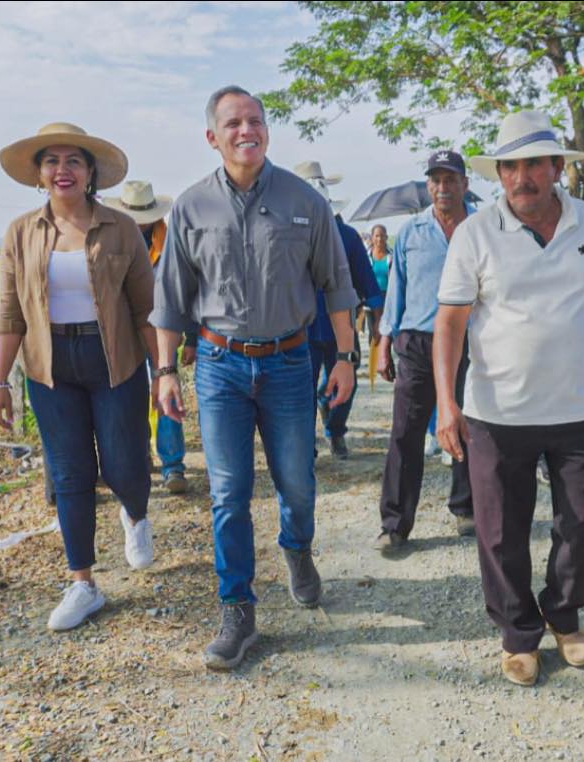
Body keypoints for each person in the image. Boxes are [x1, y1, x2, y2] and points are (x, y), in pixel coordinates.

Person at [151, 86, 358, 670]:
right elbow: (170, 299)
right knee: (228, 492)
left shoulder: (304, 201)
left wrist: (345, 357)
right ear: (212, 137)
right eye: (234, 123)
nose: (247, 130)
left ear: (267, 130)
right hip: (220, 367)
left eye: (256, 121)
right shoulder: (191, 208)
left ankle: (297, 548)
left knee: (298, 482)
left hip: (290, 364)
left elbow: (336, 284)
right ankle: (237, 608)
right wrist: (166, 371)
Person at [434, 110, 584, 686]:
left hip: (582, 409)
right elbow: (450, 323)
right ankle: (518, 633)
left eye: (533, 165)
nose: (521, 178)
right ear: (499, 174)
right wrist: (447, 402)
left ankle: (564, 613)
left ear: (557, 168)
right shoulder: (476, 233)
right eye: (510, 167)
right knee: (501, 531)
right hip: (497, 414)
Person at [0, 122, 158, 631]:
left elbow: (145, 308)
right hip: (50, 367)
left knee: (125, 463)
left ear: (90, 173)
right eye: (51, 161)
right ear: (39, 174)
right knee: (69, 474)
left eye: (73, 161)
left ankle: (135, 513)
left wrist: (165, 371)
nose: (62, 170)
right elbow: (9, 313)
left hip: (115, 361)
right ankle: (83, 583)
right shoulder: (21, 232)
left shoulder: (120, 227)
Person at [374, 150, 476, 551]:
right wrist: (385, 343)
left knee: (468, 426)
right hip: (417, 341)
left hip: (469, 342)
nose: (442, 187)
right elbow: (396, 290)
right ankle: (395, 524)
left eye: (450, 179)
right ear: (428, 185)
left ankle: (466, 508)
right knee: (405, 433)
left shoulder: (481, 229)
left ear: (465, 184)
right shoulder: (411, 232)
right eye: (436, 180)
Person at [104, 180, 193, 493]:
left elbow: (187, 290)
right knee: (128, 398)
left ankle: (173, 466)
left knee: (166, 393)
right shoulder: (110, 240)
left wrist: (192, 337)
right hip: (123, 332)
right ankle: (139, 458)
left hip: (161, 332)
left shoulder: (172, 243)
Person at [293, 161, 383, 460]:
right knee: (302, 389)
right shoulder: (289, 236)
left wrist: (378, 321)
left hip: (342, 326)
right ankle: (306, 444)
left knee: (347, 382)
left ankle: (335, 429)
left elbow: (367, 281)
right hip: (302, 328)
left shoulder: (348, 237)